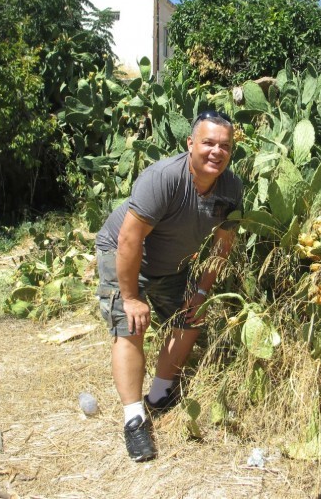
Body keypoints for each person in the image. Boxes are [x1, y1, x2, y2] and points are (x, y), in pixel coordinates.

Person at [95, 110, 243, 462]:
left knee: (192, 315)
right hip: (124, 254)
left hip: (174, 264)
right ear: (190, 144)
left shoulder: (231, 187)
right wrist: (130, 298)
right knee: (130, 326)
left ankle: (160, 394)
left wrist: (202, 292)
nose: (215, 152)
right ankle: (134, 419)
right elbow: (130, 239)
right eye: (207, 143)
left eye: (224, 146)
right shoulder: (163, 178)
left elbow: (223, 245)